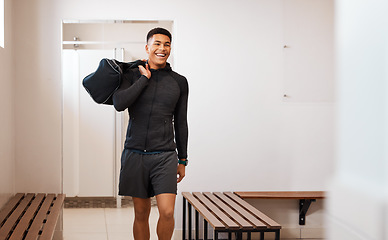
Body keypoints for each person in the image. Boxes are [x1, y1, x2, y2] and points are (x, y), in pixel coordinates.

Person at [112, 27, 189, 240]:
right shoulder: (131, 74)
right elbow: (119, 103)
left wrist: (183, 159)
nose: (162, 48)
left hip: (164, 155)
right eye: (157, 43)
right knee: (141, 213)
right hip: (136, 153)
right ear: (147, 47)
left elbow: (181, 122)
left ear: (170, 48)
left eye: (166, 44)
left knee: (167, 211)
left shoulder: (179, 81)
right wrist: (144, 79)